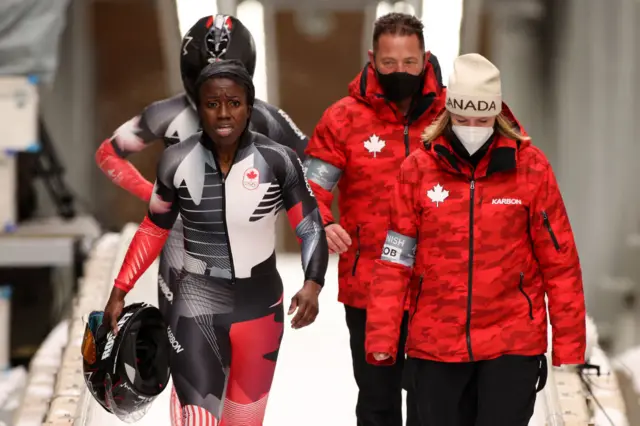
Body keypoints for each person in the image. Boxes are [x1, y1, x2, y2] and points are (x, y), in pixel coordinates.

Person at [102, 59, 329, 426]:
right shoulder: (175, 160)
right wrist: (119, 289)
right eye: (212, 104)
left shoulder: (278, 161)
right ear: (199, 109)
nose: (223, 113)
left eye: (234, 103)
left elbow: (310, 228)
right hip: (195, 307)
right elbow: (153, 228)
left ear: (249, 108)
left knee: (243, 423)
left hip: (260, 311)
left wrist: (313, 283)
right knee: (199, 419)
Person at [365, 53, 586, 426]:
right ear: (448, 113)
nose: (472, 127)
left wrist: (569, 342)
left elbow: (560, 259)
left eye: (482, 119)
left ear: (497, 114)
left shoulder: (530, 169)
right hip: (437, 342)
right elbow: (395, 259)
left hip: (511, 342)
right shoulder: (418, 170)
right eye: (462, 118)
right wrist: (382, 336)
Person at [94, 14, 308, 324]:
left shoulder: (264, 117)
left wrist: (280, 203)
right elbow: (109, 153)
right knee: (184, 345)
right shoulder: (168, 113)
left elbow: (314, 161)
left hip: (246, 251)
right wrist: (157, 197)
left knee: (238, 342)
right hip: (184, 245)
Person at [304, 12, 444, 426]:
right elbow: (310, 186)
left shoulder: (451, 117)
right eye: (389, 64)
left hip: (437, 289)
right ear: (372, 58)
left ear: (426, 58)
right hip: (368, 285)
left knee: (431, 403)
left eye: (409, 63)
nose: (400, 72)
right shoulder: (343, 119)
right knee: (378, 402)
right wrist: (325, 222)